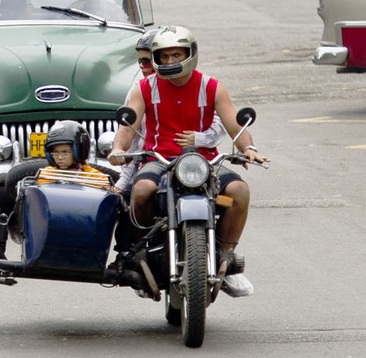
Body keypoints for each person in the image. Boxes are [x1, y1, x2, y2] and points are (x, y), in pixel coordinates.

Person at [107, 25, 267, 297]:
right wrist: (118, 148)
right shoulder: (144, 88)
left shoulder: (212, 87)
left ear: (190, 54)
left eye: (176, 55)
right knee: (141, 191)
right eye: (164, 56)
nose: (170, 61)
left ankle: (225, 258)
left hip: (204, 161)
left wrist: (248, 148)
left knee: (239, 192)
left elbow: (234, 124)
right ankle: (142, 253)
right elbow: (128, 124)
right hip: (158, 159)